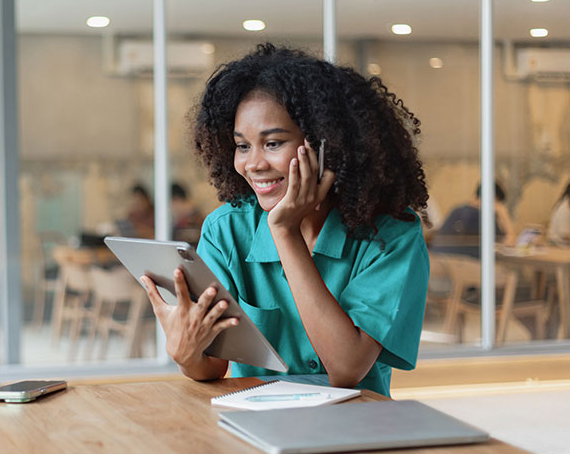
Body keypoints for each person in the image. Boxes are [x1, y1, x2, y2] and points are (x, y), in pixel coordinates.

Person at [139, 43, 430, 396]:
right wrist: (186, 354)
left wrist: (284, 231)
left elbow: (347, 368)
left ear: (326, 145)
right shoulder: (226, 230)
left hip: (355, 422)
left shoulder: (391, 234)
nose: (253, 164)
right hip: (252, 421)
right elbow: (212, 364)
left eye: (273, 143)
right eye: (242, 146)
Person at [429, 182, 516, 258]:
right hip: (463, 265)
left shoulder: (457, 210)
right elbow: (509, 243)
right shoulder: (482, 216)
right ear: (494, 199)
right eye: (499, 203)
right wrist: (503, 214)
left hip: (439, 262)